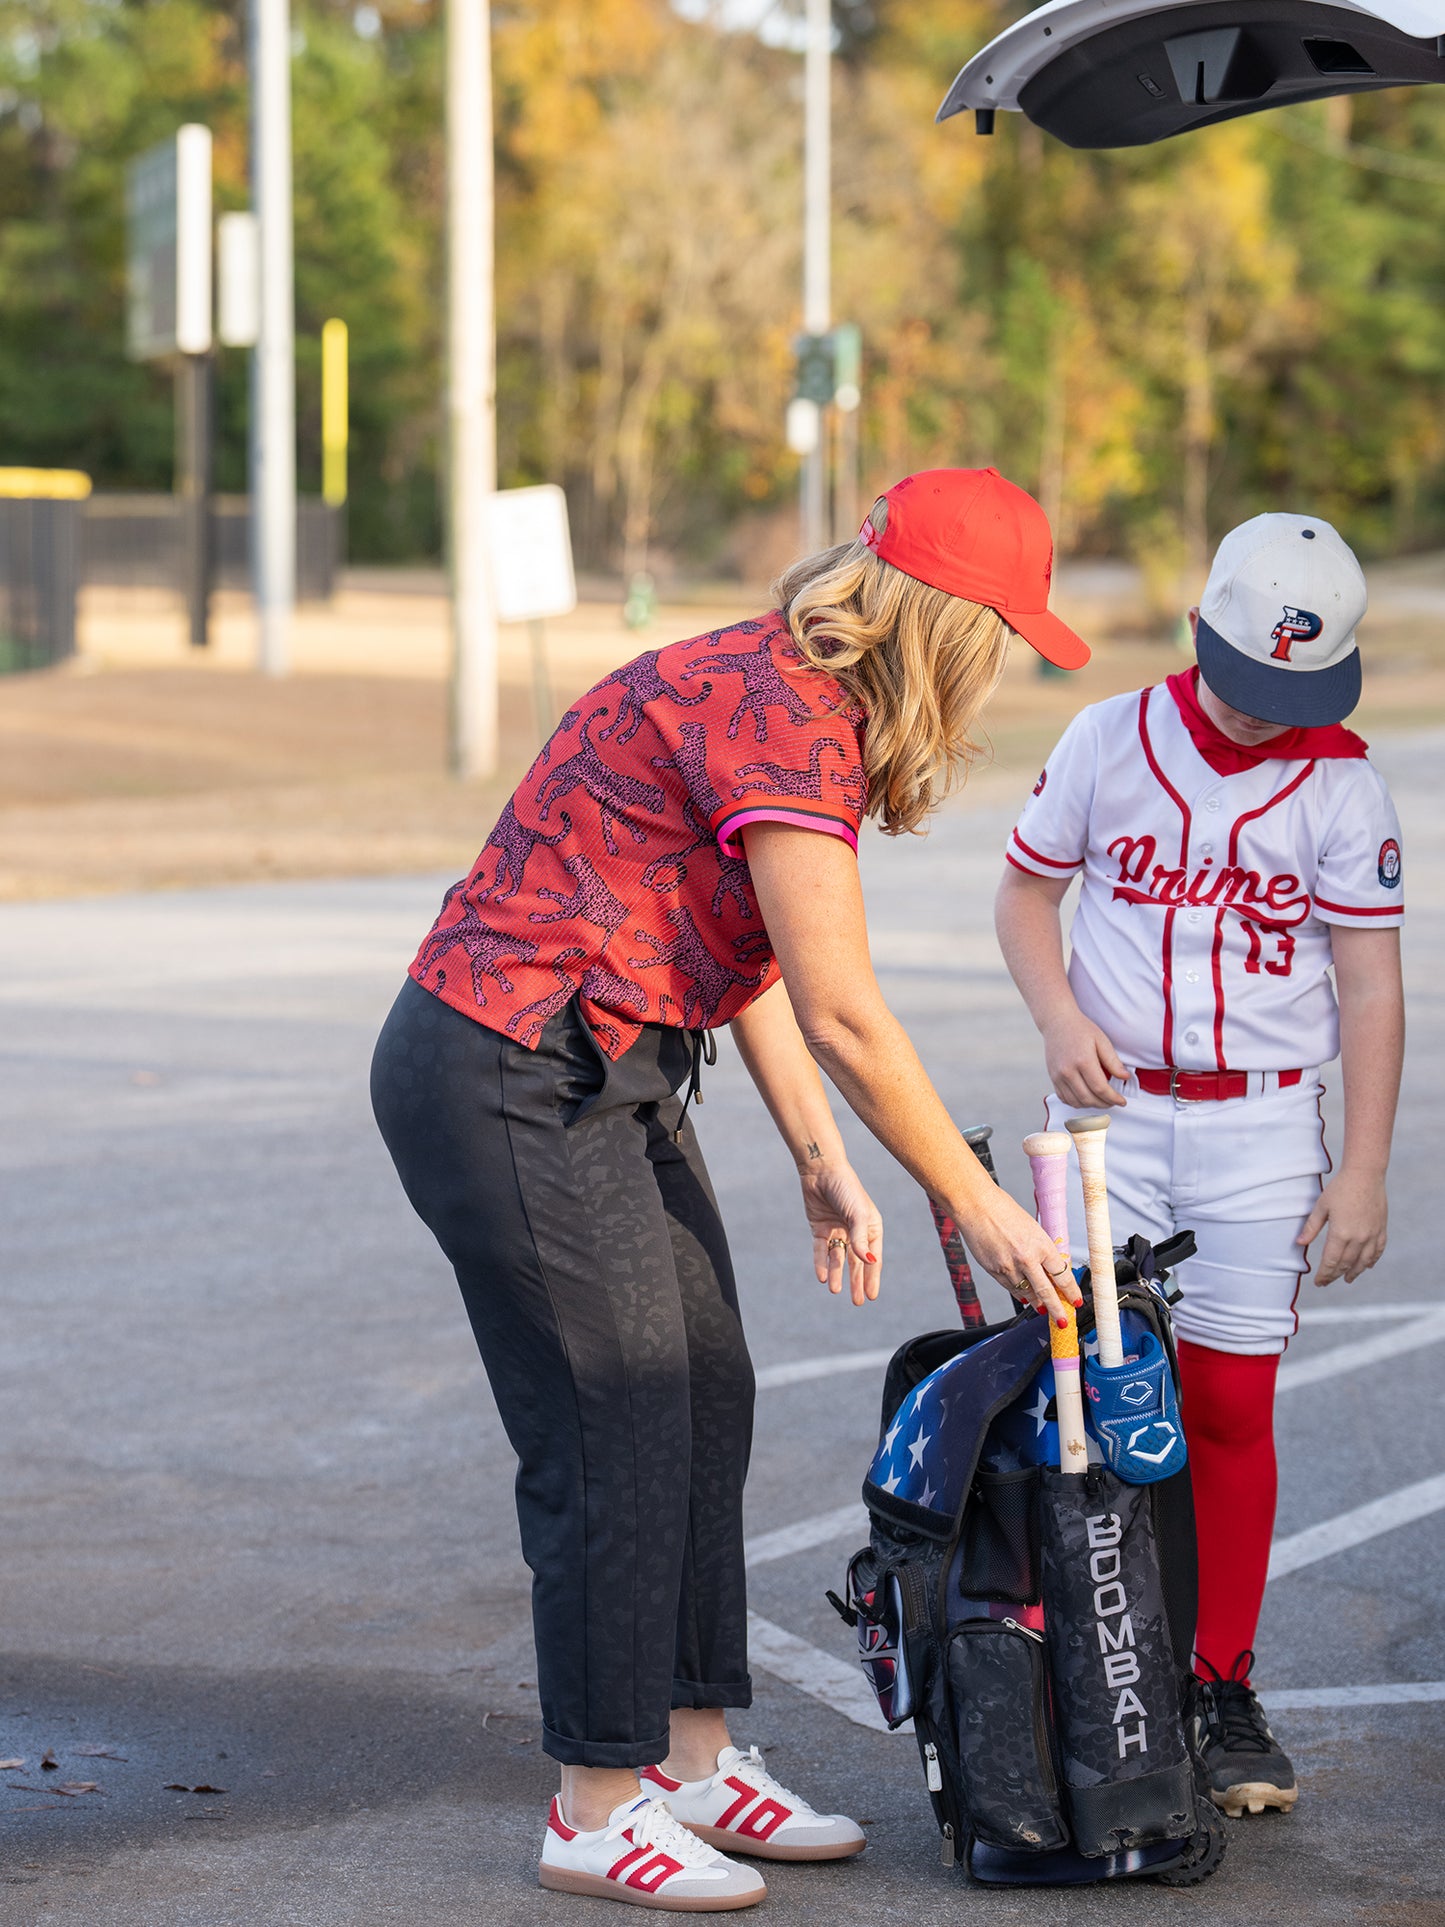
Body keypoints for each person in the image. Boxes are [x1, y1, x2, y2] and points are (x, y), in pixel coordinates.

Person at [371, 467, 1090, 1911]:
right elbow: (845, 1010)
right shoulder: (781, 717)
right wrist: (977, 1203)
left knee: (705, 1386)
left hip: (614, 1061)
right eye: (1001, 634)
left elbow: (757, 963)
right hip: (508, 1063)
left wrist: (822, 1160)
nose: (1004, 666)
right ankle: (594, 1803)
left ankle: (695, 1767)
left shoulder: (787, 694)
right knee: (616, 1414)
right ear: (940, 627)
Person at [995, 513, 1404, 1822]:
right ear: (1195, 633)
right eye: (1243, 683)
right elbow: (1023, 895)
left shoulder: (1342, 782)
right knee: (1094, 1408)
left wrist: (1366, 1172)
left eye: (1291, 691)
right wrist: (1060, 1022)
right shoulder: (1105, 739)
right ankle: (1094, 1681)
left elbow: (1371, 987)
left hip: (1262, 1129)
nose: (1257, 715)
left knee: (1226, 1409)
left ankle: (1218, 1691)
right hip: (1111, 1124)